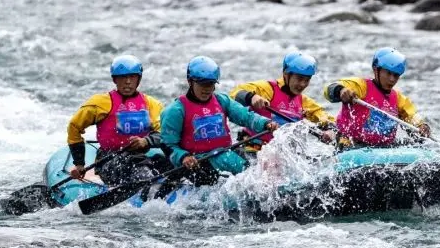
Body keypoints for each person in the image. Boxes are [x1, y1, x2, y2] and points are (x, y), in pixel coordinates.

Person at [160, 56, 278, 185]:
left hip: (225, 156)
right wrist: (183, 157)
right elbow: (167, 145)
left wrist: (265, 123)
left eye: (211, 83)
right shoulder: (175, 110)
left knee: (256, 170)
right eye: (202, 83)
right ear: (190, 81)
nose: (207, 88)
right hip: (196, 164)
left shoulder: (222, 101)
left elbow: (247, 116)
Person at [65, 55, 170, 185]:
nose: (128, 81)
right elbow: (74, 126)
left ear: (138, 79)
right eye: (122, 77)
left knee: (167, 163)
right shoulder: (99, 103)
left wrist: (146, 141)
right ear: (115, 79)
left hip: (140, 157)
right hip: (108, 160)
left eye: (132, 77)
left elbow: (165, 134)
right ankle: (146, 187)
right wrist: (79, 163)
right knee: (137, 167)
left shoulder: (151, 104)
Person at [323, 48, 431, 148]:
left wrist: (421, 126)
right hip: (351, 144)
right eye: (388, 73)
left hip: (383, 147)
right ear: (376, 69)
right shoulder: (361, 86)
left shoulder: (398, 98)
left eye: (396, 75)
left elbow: (411, 116)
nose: (392, 79)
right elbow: (329, 89)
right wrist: (341, 90)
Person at [230, 51, 338, 149]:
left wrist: (330, 130)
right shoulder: (268, 89)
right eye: (299, 79)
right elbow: (235, 93)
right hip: (253, 149)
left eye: (307, 80)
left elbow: (324, 117)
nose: (303, 84)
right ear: (286, 74)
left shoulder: (304, 101)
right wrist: (252, 97)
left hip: (283, 155)